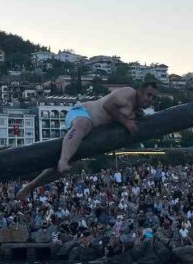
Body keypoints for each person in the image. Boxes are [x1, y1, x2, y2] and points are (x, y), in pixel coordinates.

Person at [18, 82, 158, 199]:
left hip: (90, 133)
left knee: (60, 171)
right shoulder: (128, 93)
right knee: (83, 125)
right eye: (148, 95)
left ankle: (31, 186)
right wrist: (126, 122)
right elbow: (108, 105)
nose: (150, 100)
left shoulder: (136, 112)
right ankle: (63, 160)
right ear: (140, 91)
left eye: (153, 98)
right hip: (81, 113)